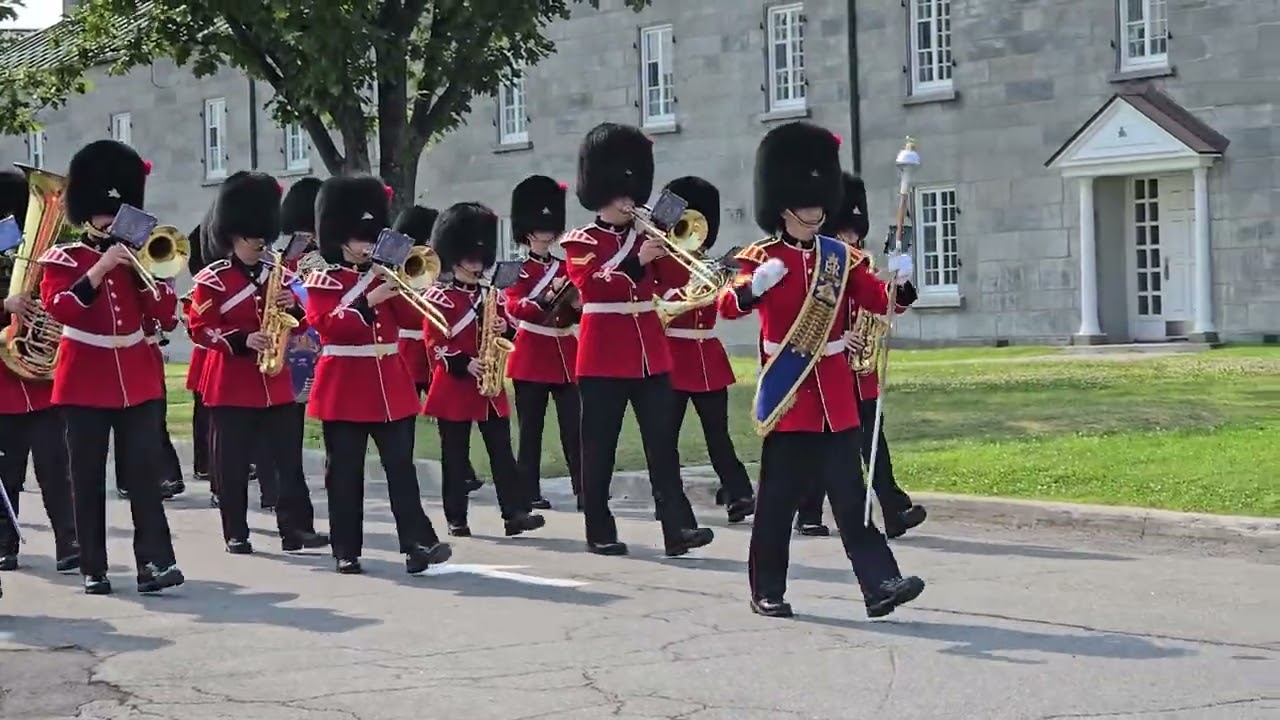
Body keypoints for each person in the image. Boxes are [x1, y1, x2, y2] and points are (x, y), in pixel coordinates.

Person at [717, 121, 924, 619]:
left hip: (835, 395)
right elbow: (726, 306)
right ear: (782, 204)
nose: (814, 211)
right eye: (805, 204)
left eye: (818, 203)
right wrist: (755, 287)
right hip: (791, 398)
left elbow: (879, 301)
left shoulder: (841, 259)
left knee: (852, 499)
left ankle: (880, 584)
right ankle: (767, 588)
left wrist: (902, 283)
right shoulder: (760, 258)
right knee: (777, 505)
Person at [560, 122, 714, 557]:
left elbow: (675, 280)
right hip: (603, 354)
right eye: (621, 192)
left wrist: (668, 251)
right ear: (602, 191)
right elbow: (591, 287)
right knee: (600, 448)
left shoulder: (647, 235)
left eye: (633, 190)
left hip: (650, 353)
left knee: (663, 446)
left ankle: (677, 529)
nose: (630, 200)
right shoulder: (581, 241)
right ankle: (599, 529)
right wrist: (635, 257)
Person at [37, 139, 184, 595]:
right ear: (89, 215)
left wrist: (150, 278)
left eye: (118, 213)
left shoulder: (141, 257)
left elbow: (165, 317)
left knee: (145, 475)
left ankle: (155, 564)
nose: (112, 221)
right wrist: (100, 269)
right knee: (87, 477)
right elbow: (61, 308)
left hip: (136, 376)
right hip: (85, 377)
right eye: (105, 214)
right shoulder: (65, 258)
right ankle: (93, 566)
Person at [302, 175, 450, 575]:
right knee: (345, 474)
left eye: (371, 237)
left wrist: (400, 288)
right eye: (359, 237)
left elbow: (411, 320)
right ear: (339, 238)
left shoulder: (387, 275)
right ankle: (345, 549)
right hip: (345, 385)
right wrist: (368, 300)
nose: (367, 244)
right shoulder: (324, 280)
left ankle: (417, 542)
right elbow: (328, 325)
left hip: (390, 382)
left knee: (402, 469)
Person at [187, 171, 329, 555]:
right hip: (232, 382)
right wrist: (241, 338)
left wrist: (294, 306)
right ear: (234, 236)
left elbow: (307, 319)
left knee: (288, 461)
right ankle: (236, 530)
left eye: (263, 237)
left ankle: (294, 528)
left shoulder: (279, 273)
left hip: (277, 379)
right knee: (232, 465)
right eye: (253, 238)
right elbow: (199, 328)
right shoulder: (212, 279)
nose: (260, 244)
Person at [795, 172, 928, 539]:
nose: (851, 240)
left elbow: (888, 306)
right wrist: (840, 336)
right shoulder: (822, 266)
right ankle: (808, 512)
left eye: (855, 233)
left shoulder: (864, 266)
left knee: (873, 442)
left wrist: (900, 283)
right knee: (824, 446)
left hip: (862, 371)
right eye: (844, 233)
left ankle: (893, 510)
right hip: (830, 367)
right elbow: (806, 317)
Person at [421, 202, 546, 538]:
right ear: (454, 257)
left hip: (489, 389)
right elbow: (434, 342)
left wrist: (506, 327)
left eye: (480, 258)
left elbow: (511, 333)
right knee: (456, 458)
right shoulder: (439, 297)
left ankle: (514, 513)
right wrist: (465, 362)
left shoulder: (491, 295)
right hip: (455, 387)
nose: (476, 264)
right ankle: (456, 517)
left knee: (502, 454)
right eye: (470, 258)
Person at [654, 176, 754, 524]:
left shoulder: (711, 266)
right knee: (666, 438)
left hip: (707, 358)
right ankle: (667, 498)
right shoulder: (663, 263)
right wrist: (681, 296)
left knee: (718, 434)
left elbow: (725, 304)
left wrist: (739, 287)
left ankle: (738, 492)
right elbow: (656, 302)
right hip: (672, 357)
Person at [0, 167, 79, 574]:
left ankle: (69, 540)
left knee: (56, 467)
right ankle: (4, 542)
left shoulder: (46, 258)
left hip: (43, 381)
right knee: (6, 470)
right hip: (2, 383)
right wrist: (5, 307)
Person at [501, 175, 582, 512]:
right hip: (532, 354)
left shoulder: (568, 266)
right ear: (527, 232)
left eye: (550, 227)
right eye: (540, 228)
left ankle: (585, 489)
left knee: (575, 429)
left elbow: (578, 309)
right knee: (531, 432)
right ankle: (528, 492)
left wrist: (577, 306)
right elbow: (514, 307)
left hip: (565, 352)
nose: (546, 234)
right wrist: (547, 297)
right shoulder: (514, 270)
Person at [392, 205, 482, 494]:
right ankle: (402, 466)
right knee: (404, 418)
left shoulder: (441, 265)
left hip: (437, 351)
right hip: (408, 348)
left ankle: (462, 470)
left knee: (450, 417)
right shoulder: (398, 267)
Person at [117, 298, 185, 502]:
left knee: (155, 418)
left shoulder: (148, 283)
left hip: (147, 355)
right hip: (119, 355)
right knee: (124, 422)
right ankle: (128, 480)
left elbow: (169, 322)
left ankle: (167, 475)